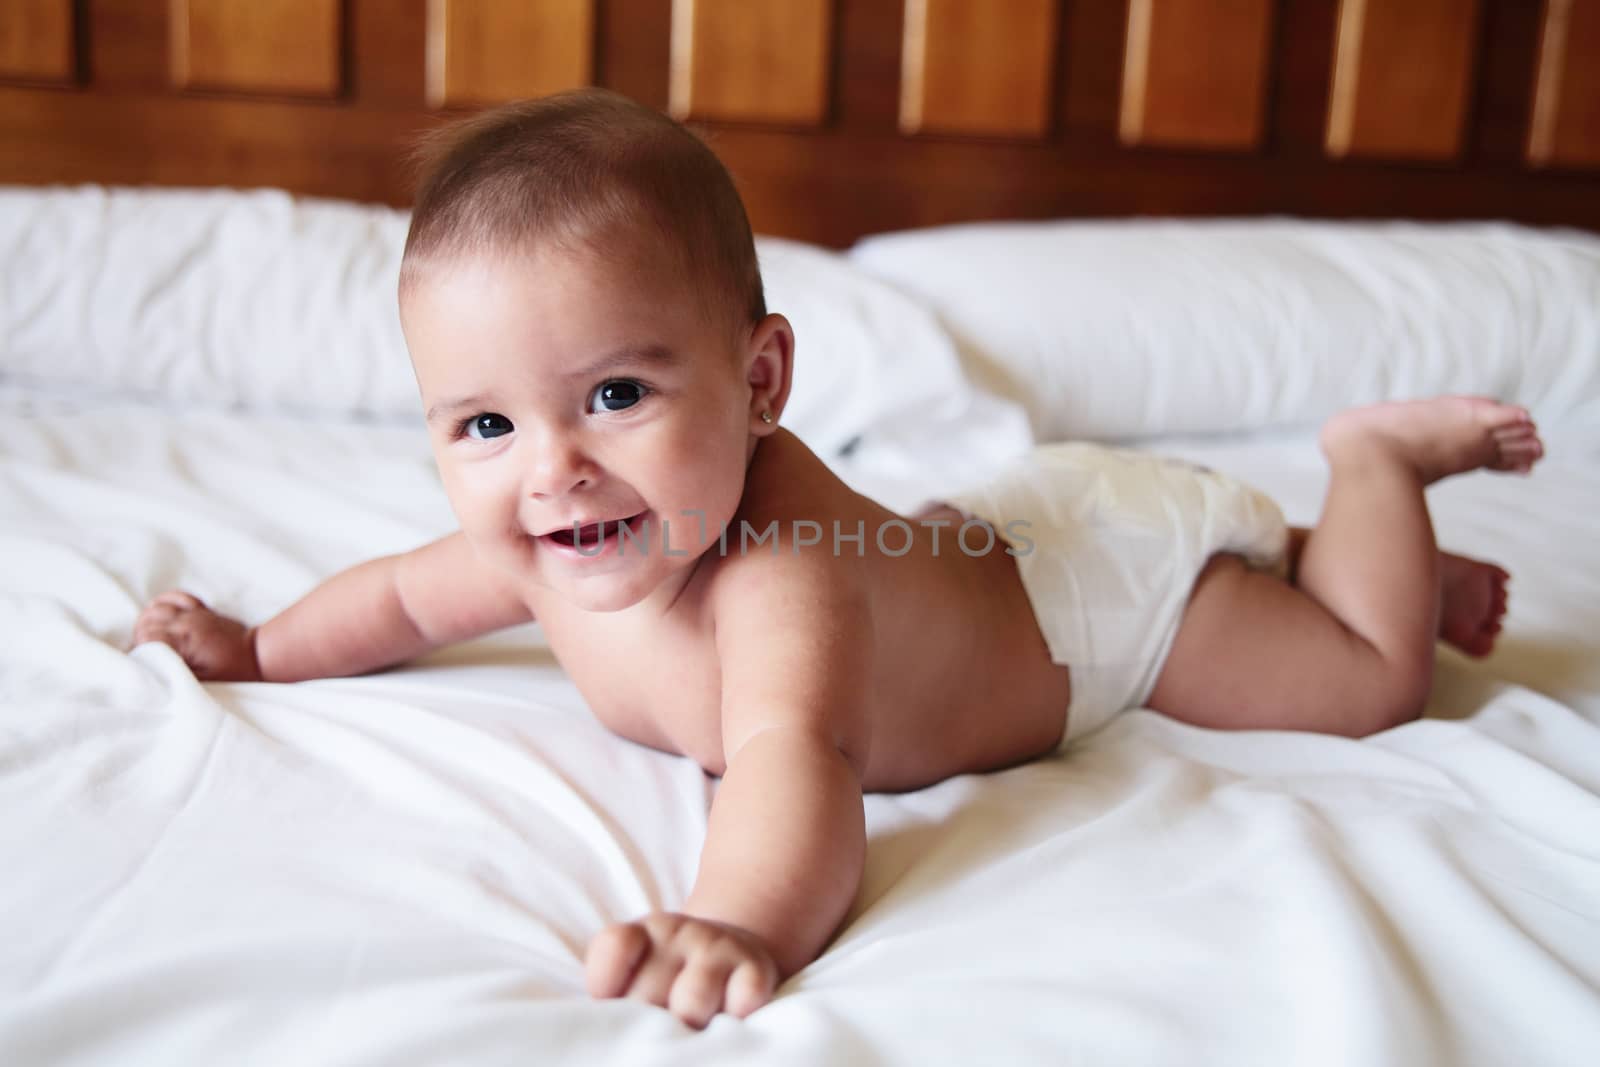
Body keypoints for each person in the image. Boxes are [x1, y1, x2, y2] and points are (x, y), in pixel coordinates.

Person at [132, 89, 1544, 1029]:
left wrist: (734, 922)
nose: (553, 467)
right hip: (990, 539)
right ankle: (1328, 547)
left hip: (1102, 603)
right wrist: (255, 652)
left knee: (1369, 683)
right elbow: (389, 599)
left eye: (619, 395)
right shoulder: (551, 538)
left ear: (761, 381)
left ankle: (1374, 474)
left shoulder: (779, 578)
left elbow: (798, 761)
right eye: (486, 423)